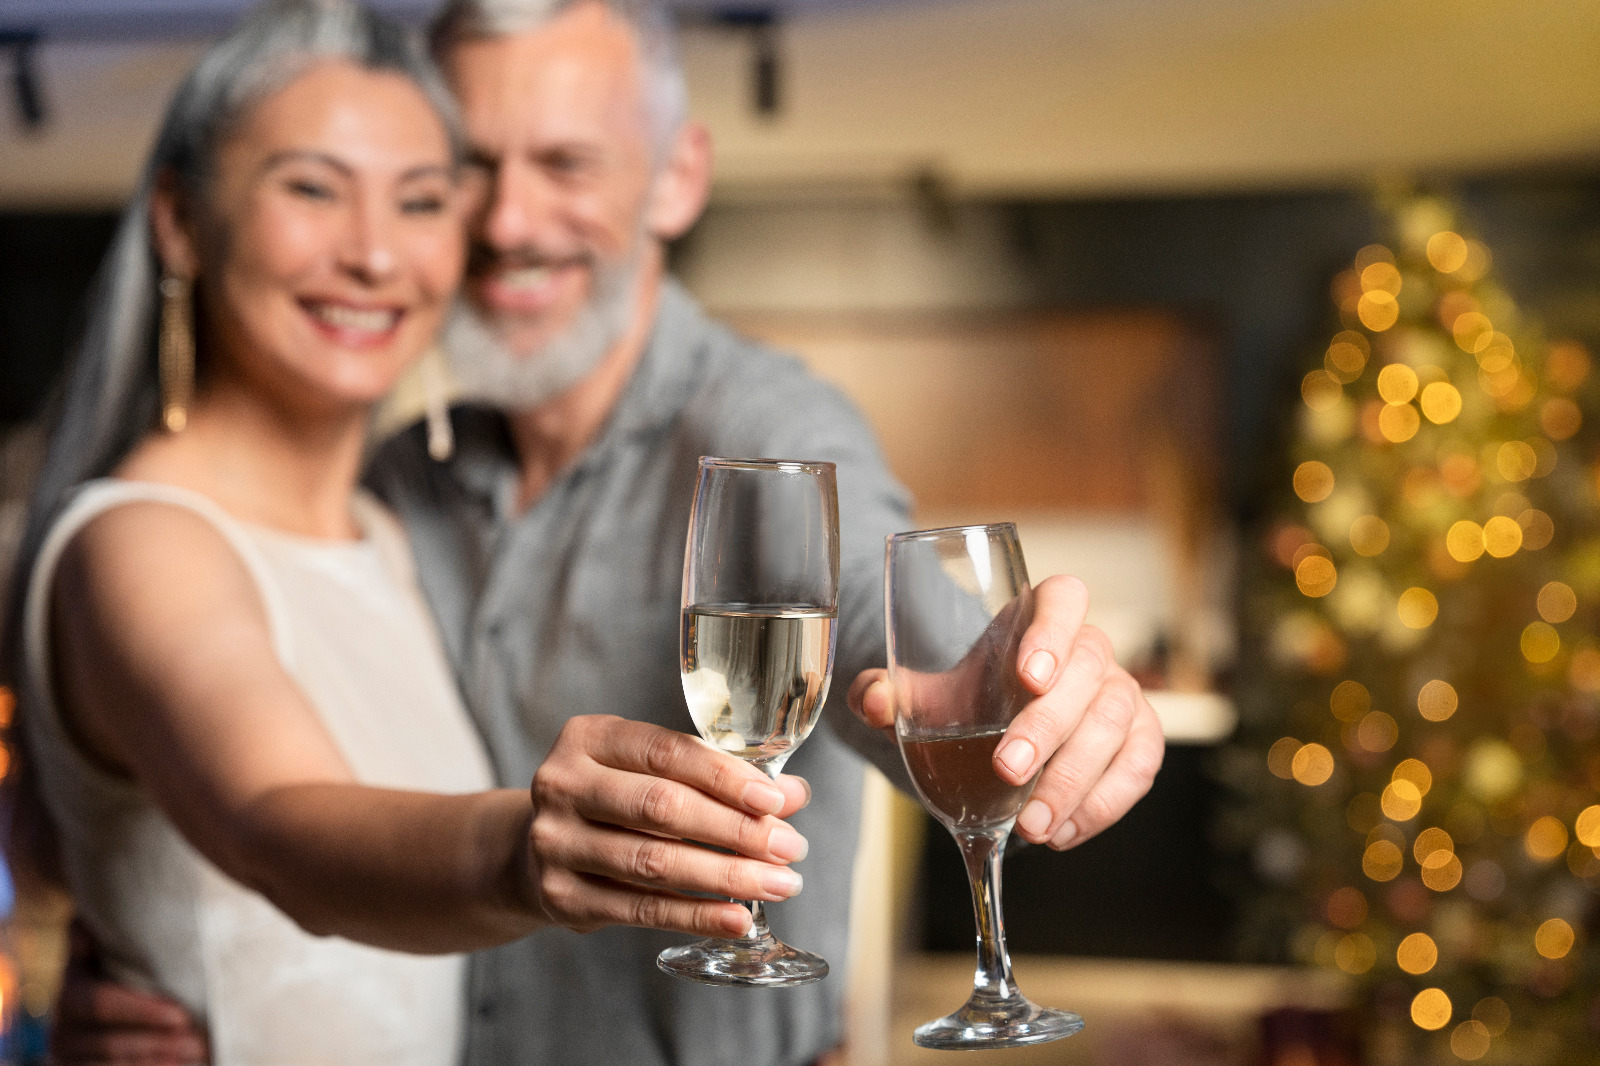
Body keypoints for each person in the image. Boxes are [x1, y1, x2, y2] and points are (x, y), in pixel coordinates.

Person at [53, 1, 1166, 1063]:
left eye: (566, 164)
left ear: (678, 177)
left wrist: (1014, 697)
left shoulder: (764, 430)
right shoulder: (400, 485)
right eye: (467, 173)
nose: (506, 222)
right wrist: (160, 957)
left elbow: (902, 643)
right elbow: (225, 809)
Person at [4, 3, 822, 1064]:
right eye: (310, 187)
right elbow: (280, 822)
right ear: (180, 220)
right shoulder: (142, 540)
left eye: (423, 200)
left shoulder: (392, 531)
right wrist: (526, 857)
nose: (375, 253)